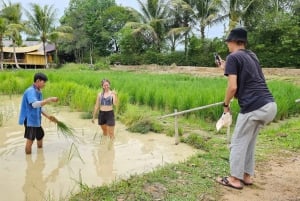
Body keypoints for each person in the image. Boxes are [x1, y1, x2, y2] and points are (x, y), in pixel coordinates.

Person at [216, 27, 277, 189]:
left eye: (228, 41)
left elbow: (232, 88)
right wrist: (226, 68)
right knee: (249, 142)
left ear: (234, 41)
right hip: (269, 105)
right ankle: (247, 176)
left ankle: (234, 179)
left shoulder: (233, 57)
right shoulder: (252, 56)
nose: (227, 45)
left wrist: (226, 105)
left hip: (253, 107)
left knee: (237, 143)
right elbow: (250, 78)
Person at [19, 72, 58, 154]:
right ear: (38, 81)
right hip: (30, 120)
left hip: (35, 119)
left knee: (40, 136)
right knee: (30, 140)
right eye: (44, 82)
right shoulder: (30, 91)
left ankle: (40, 154)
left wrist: (48, 116)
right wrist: (49, 99)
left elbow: (40, 107)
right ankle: (28, 160)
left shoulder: (38, 91)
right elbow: (34, 104)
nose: (45, 84)